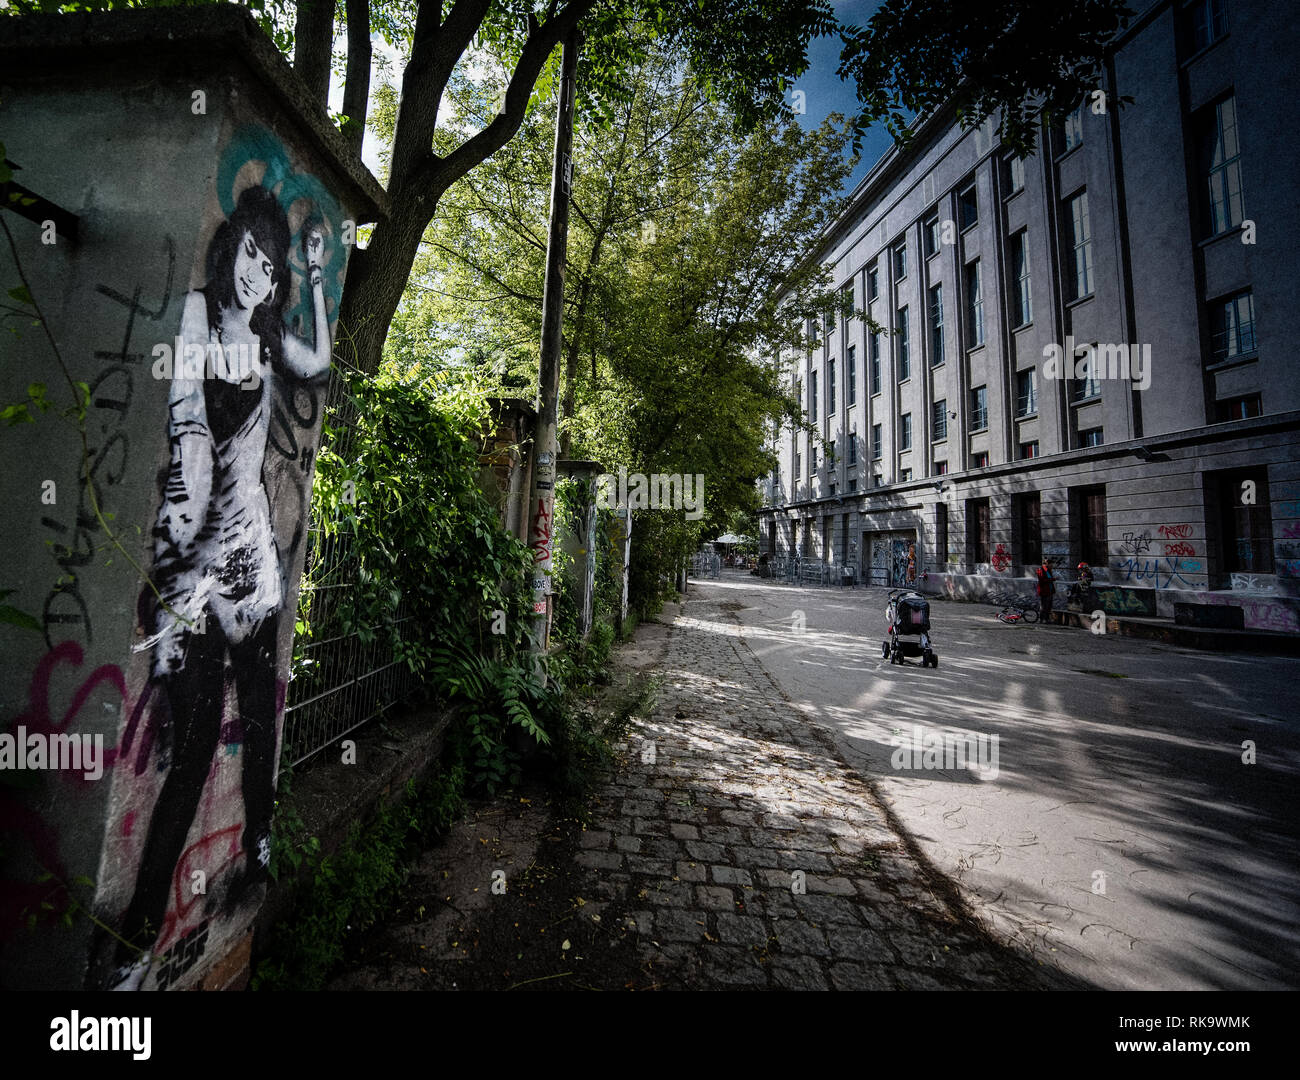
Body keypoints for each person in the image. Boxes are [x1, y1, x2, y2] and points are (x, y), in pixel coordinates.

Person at [109, 184, 332, 989]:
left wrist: (311, 278)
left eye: (267, 268)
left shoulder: (271, 334)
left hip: (246, 547)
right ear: (230, 245)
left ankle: (259, 840)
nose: (254, 274)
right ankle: (137, 931)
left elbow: (321, 363)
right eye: (250, 254)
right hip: (191, 550)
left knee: (263, 700)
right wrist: (188, 529)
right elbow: (187, 418)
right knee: (198, 743)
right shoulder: (197, 315)